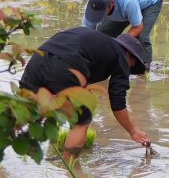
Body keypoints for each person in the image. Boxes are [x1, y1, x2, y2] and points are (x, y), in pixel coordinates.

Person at [19, 27, 150, 160]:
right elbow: (118, 103)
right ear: (129, 55)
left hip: (37, 60)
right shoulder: (121, 56)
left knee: (22, 109)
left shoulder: (97, 42)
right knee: (82, 119)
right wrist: (133, 131)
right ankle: (71, 169)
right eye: (132, 64)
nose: (129, 68)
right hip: (66, 65)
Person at [83, 0, 163, 65]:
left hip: (149, 2)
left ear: (112, 3)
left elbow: (138, 27)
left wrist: (120, 44)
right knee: (103, 34)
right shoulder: (94, 3)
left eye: (101, 12)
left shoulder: (128, 0)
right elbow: (89, 33)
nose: (98, 16)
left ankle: (144, 68)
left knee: (141, 37)